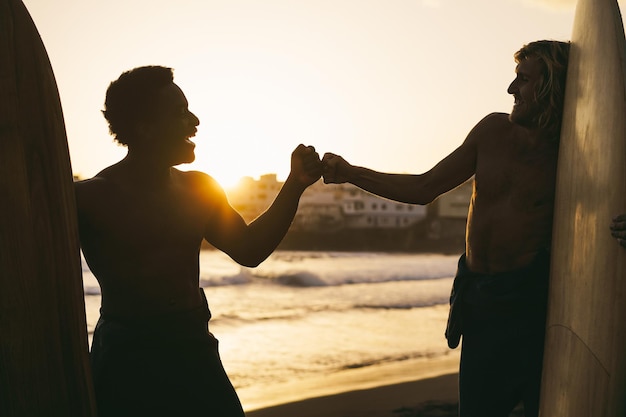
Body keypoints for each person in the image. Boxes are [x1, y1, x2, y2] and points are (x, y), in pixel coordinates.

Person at [322, 40, 624, 417]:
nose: (512, 90)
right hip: (480, 299)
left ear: (552, 86)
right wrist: (351, 173)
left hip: (534, 303)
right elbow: (423, 188)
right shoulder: (492, 131)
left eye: (524, 80)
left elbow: (611, 202)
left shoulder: (576, 152)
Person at [75, 65, 322, 417]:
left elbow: (249, 250)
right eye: (179, 112)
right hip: (126, 358)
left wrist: (295, 184)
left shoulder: (199, 188)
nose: (195, 121)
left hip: (193, 347)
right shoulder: (90, 199)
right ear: (144, 128)